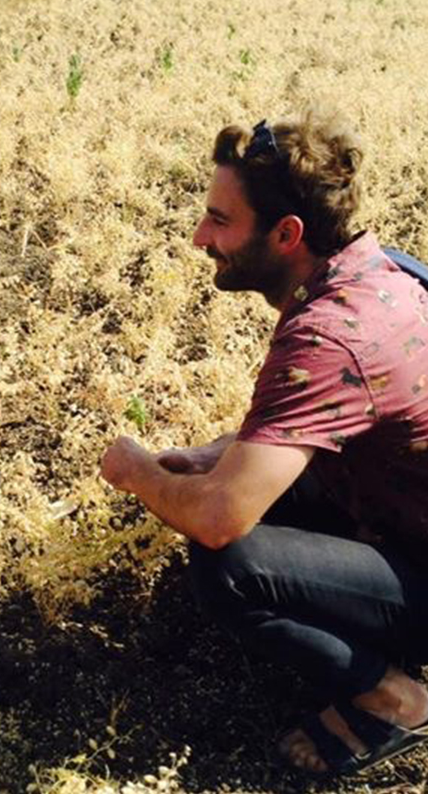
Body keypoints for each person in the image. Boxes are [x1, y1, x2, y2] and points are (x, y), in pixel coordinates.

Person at [100, 115, 428, 775]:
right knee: (233, 482)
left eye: (220, 220)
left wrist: (137, 471)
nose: (200, 237)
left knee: (231, 563)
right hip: (403, 511)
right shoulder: (382, 271)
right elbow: (325, 424)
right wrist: (213, 456)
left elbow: (222, 521)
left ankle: (398, 701)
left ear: (286, 235)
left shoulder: (329, 336)